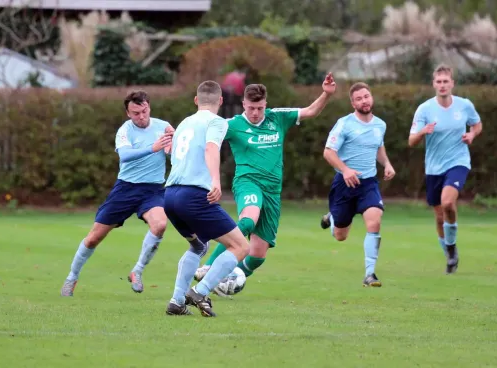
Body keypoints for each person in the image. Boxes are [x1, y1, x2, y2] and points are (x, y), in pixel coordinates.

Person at [195, 73, 336, 294]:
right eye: (251, 108)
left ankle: (225, 279)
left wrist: (326, 94)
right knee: (248, 221)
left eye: (259, 108)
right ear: (244, 104)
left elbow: (310, 111)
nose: (255, 113)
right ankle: (209, 266)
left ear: (265, 105)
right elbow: (204, 136)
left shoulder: (277, 118)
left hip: (272, 192)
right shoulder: (232, 124)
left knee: (258, 255)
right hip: (247, 183)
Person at [60, 91, 174, 296]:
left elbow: (176, 150)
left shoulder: (163, 126)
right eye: (136, 113)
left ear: (149, 106)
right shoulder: (125, 130)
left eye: (144, 111)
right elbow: (125, 156)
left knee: (160, 225)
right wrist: (153, 148)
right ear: (128, 113)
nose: (141, 116)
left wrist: (173, 145)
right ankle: (71, 277)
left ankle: (137, 271)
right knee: (94, 237)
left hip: (153, 190)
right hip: (126, 189)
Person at [163, 80, 249, 317]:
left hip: (170, 196)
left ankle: (177, 301)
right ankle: (200, 291)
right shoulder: (216, 121)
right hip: (194, 196)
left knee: (199, 245)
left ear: (195, 100)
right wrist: (215, 181)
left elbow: (174, 156)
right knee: (241, 246)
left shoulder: (183, 123)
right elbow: (212, 149)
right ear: (221, 101)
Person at [319, 82, 396, 287]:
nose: (364, 101)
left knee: (375, 222)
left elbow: (378, 146)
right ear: (353, 103)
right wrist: (345, 170)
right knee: (340, 236)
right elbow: (328, 152)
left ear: (371, 98)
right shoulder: (344, 124)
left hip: (368, 183)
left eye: (366, 96)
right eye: (359, 98)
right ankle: (333, 218)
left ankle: (370, 274)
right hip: (344, 185)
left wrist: (387, 164)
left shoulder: (380, 125)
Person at [408, 64, 482, 274]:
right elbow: (411, 140)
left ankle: (451, 249)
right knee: (440, 217)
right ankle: (450, 254)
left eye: (445, 81)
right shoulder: (424, 109)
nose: (442, 85)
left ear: (452, 84)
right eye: (438, 82)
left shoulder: (464, 105)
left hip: (458, 162)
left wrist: (472, 135)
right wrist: (423, 131)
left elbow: (477, 124)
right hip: (433, 168)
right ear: (434, 84)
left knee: (448, 202)